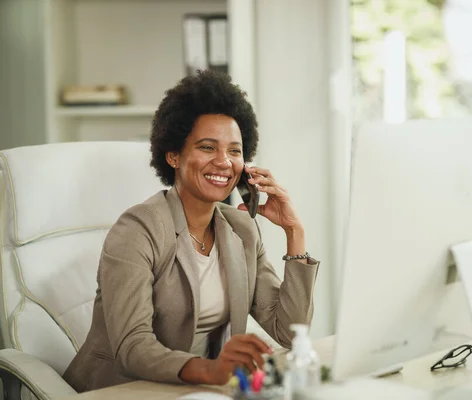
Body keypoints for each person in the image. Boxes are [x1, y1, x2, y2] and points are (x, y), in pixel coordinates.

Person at [63, 70, 320, 392]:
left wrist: (294, 232)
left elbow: (289, 330)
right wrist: (212, 370)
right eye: (207, 147)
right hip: (121, 390)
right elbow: (132, 348)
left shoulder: (242, 230)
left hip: (199, 390)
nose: (224, 162)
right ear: (173, 156)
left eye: (235, 151)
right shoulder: (137, 230)